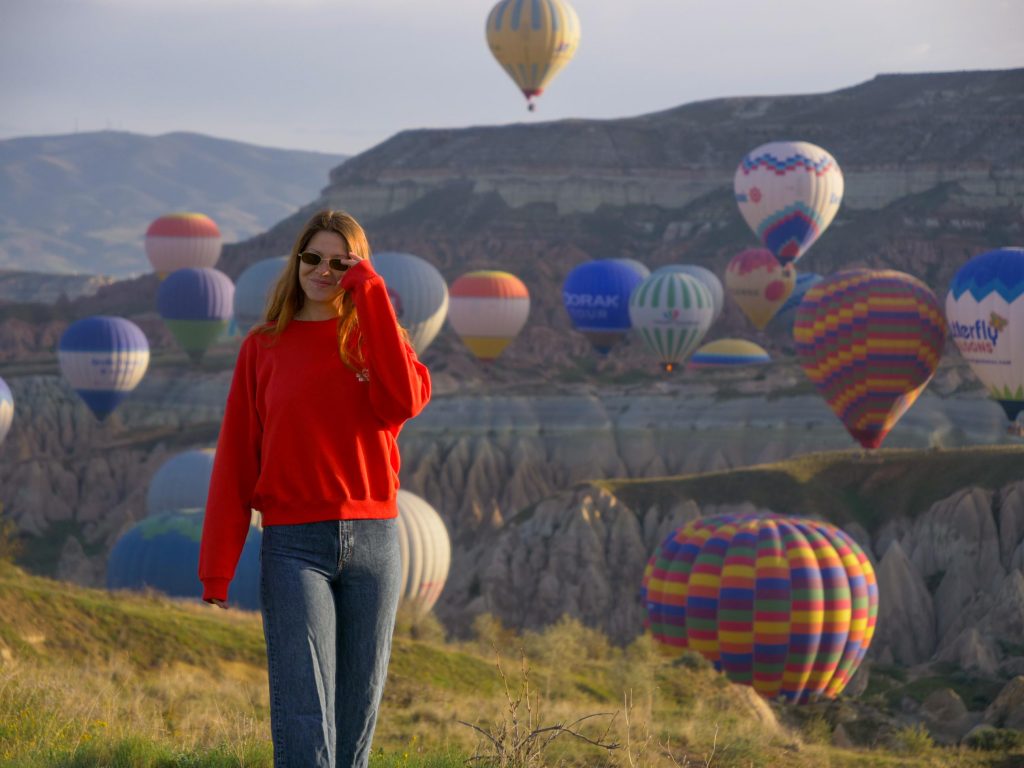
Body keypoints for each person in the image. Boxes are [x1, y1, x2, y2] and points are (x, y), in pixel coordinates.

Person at [199, 209, 431, 768]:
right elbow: (235, 458)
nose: (324, 270)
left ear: (359, 267)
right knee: (306, 718)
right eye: (313, 258)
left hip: (375, 545)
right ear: (296, 262)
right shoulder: (263, 348)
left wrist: (371, 291)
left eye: (340, 261)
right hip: (294, 546)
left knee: (356, 721)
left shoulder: (377, 341)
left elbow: (404, 403)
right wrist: (217, 565)